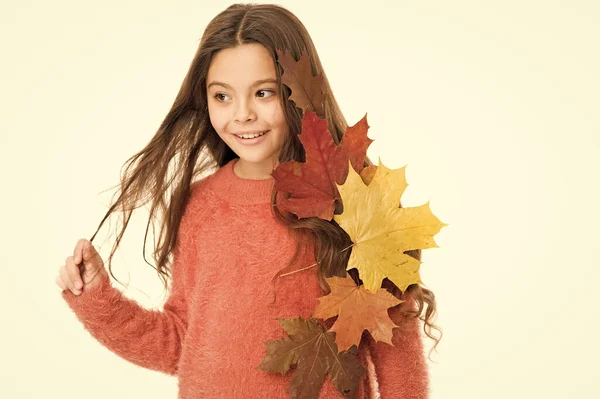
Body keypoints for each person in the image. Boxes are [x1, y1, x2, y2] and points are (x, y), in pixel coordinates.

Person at [55, 3, 440, 398]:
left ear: (300, 92)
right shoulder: (200, 203)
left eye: (263, 93)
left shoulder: (355, 202)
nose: (241, 115)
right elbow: (182, 343)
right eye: (222, 96)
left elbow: (395, 349)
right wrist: (96, 299)